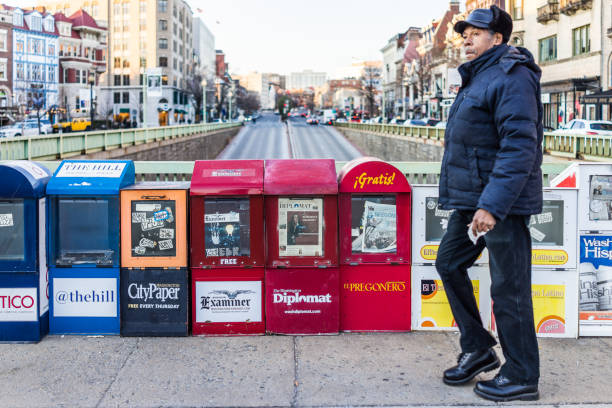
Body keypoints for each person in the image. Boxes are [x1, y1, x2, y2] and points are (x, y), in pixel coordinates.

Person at [435, 5, 543, 402]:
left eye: (476, 33)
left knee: (509, 290)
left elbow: (519, 147)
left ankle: (521, 375)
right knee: (448, 263)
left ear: (497, 39)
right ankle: (479, 348)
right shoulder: (479, 76)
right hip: (472, 199)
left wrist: (493, 207)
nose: (466, 37)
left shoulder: (511, 76)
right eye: (465, 32)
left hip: (502, 205)